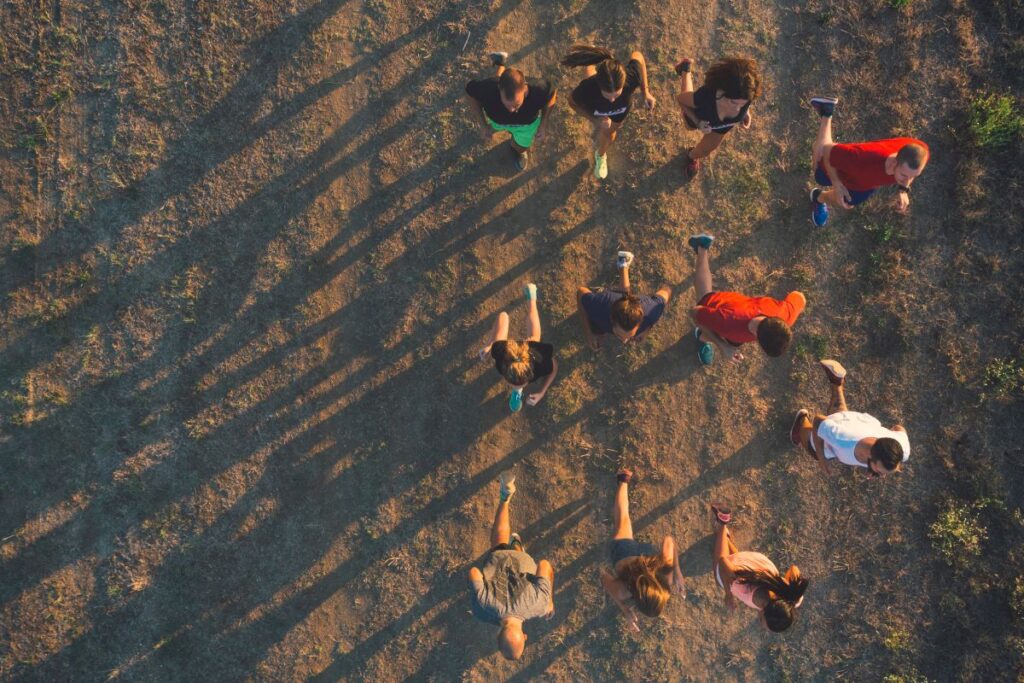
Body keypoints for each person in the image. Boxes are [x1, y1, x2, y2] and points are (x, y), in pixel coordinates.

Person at [469, 470, 554, 660]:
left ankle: (516, 545)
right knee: (499, 540)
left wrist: (549, 600)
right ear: (497, 635)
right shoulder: (481, 610)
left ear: (525, 636)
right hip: (498, 558)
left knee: (519, 558)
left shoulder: (540, 606)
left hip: (522, 562)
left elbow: (545, 566)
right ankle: (504, 498)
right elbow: (474, 572)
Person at [807, 96, 930, 226]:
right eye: (904, 176)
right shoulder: (862, 158)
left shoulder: (921, 152)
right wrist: (837, 185)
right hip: (849, 170)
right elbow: (828, 151)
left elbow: (909, 174)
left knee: (848, 200)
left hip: (866, 183)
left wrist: (903, 190)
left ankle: (818, 197)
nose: (907, 181)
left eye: (914, 176)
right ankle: (826, 112)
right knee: (820, 174)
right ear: (894, 162)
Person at [686, 234, 806, 366]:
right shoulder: (728, 322)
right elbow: (694, 312)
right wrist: (722, 347)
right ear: (758, 340)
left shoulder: (785, 314)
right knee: (704, 297)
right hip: (718, 306)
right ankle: (701, 248)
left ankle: (704, 337)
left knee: (730, 339)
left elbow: (799, 296)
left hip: (738, 320)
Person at [790, 359, 911, 477]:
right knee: (814, 449)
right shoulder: (843, 440)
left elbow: (899, 428)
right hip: (844, 430)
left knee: (841, 416)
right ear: (870, 454)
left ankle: (836, 381)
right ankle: (801, 421)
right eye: (880, 472)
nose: (882, 475)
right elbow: (818, 421)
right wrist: (821, 459)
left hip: (859, 423)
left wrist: (873, 467)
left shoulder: (902, 450)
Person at [599, 469, 685, 631]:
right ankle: (622, 481)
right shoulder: (623, 592)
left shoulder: (666, 578)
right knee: (621, 519)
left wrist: (677, 570)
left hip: (647, 555)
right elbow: (603, 577)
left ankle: (624, 480)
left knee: (624, 517)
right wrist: (625, 610)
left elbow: (669, 540)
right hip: (623, 553)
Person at [563, 45, 656, 180]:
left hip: (619, 114)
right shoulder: (587, 88)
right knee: (609, 134)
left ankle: (600, 154)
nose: (612, 100)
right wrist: (595, 120)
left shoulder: (632, 76)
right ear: (598, 84)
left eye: (617, 94)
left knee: (609, 133)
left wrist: (645, 92)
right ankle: (600, 155)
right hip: (598, 111)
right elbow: (572, 102)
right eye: (607, 95)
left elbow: (638, 56)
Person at [710, 504, 808, 633]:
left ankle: (726, 540)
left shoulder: (791, 598)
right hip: (738, 568)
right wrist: (728, 595)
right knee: (720, 576)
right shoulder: (746, 589)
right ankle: (722, 524)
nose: (761, 624)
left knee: (738, 566)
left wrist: (791, 589)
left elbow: (794, 569)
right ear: (763, 611)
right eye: (762, 621)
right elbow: (723, 563)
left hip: (756, 563)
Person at [465, 51, 557, 171]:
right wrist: (482, 124)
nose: (512, 110)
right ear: (499, 89)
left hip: (526, 126)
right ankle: (501, 64)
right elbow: (471, 94)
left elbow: (551, 95)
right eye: (507, 104)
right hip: (497, 121)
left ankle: (518, 151)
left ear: (524, 88)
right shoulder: (488, 89)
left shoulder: (539, 89)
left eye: (517, 104)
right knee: (497, 79)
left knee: (520, 146)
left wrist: (543, 123)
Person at [674, 56, 762, 179]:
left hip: (720, 129)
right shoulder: (706, 95)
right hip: (699, 115)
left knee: (704, 151)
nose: (737, 109)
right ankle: (685, 70)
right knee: (689, 126)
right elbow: (681, 100)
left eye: (743, 104)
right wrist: (698, 122)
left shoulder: (746, 94)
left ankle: (691, 156)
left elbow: (745, 103)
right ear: (722, 92)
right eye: (733, 103)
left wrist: (746, 112)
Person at [479, 283, 558, 412]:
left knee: (535, 337)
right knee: (534, 335)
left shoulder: (502, 352)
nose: (515, 386)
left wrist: (542, 392)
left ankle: (532, 297)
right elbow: (502, 316)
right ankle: (531, 299)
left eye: (517, 385)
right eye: (518, 385)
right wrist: (489, 345)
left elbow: (554, 366)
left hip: (526, 349)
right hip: (523, 348)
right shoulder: (499, 349)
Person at [576, 250, 672, 350]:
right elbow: (581, 292)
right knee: (596, 327)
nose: (624, 341)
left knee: (625, 294)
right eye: (619, 335)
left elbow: (667, 291)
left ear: (641, 321)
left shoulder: (651, 311)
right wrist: (589, 333)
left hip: (633, 302)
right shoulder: (600, 305)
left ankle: (623, 263)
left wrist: (646, 330)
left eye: (630, 336)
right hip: (611, 300)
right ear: (611, 319)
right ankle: (623, 263)